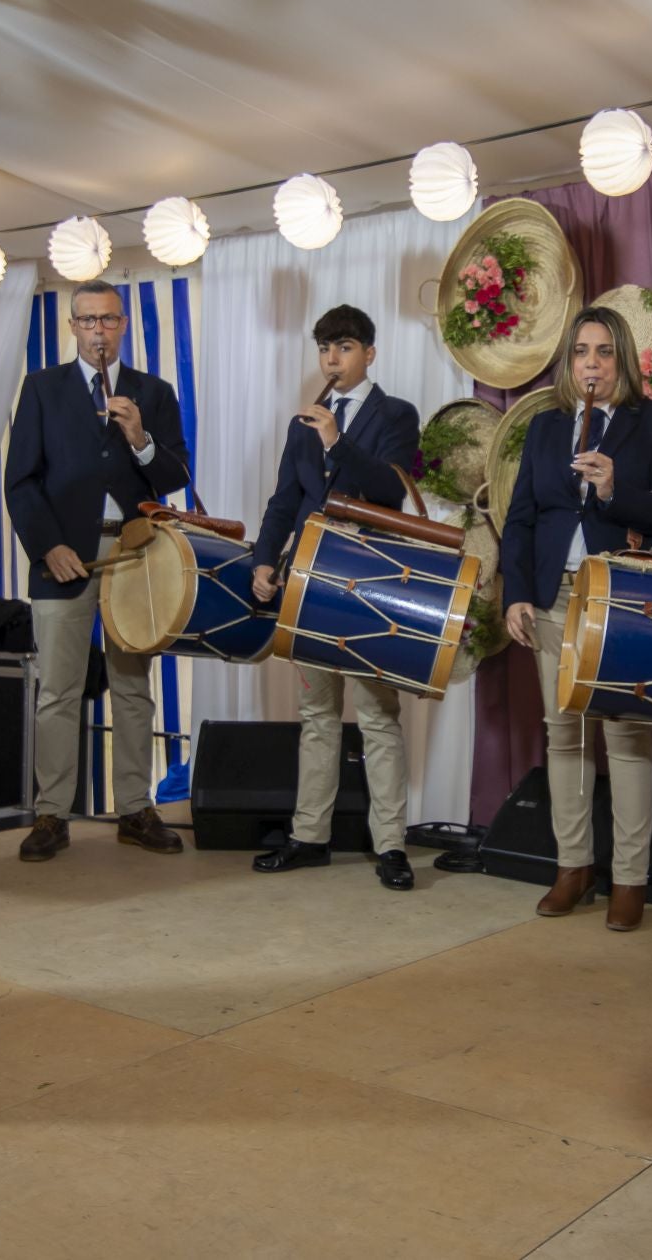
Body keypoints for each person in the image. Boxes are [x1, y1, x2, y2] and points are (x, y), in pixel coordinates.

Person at [499, 305, 652, 932]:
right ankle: (572, 866)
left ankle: (630, 878)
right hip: (554, 595)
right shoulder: (547, 427)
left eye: (604, 351)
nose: (591, 363)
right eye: (582, 351)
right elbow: (523, 515)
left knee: (627, 736)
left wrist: (615, 491)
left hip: (626, 598)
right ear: (569, 362)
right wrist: (516, 594)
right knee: (565, 733)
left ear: (622, 360)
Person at [5, 281, 190, 862]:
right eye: (87, 321)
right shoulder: (41, 389)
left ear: (124, 326)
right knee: (57, 691)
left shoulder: (153, 393)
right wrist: (47, 546)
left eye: (108, 321)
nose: (98, 331)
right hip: (63, 558)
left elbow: (175, 474)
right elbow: (20, 481)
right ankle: (51, 814)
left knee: (133, 690)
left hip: (135, 557)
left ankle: (134, 807)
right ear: (73, 327)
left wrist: (140, 439)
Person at [247, 305, 422, 889]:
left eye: (343, 347)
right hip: (308, 578)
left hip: (369, 581)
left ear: (369, 353)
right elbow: (283, 501)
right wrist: (266, 559)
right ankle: (309, 836)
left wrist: (336, 439)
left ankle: (391, 844)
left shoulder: (396, 413)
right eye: (324, 347)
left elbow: (390, 490)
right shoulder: (304, 423)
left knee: (377, 717)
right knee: (318, 715)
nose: (331, 358)